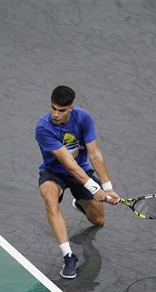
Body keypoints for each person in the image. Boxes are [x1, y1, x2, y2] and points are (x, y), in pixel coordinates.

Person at [35, 85, 120, 279]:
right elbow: (68, 164)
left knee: (98, 220)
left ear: (71, 108)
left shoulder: (83, 118)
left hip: (82, 172)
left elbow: (95, 154)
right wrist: (93, 187)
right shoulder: (43, 128)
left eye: (61, 110)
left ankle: (81, 204)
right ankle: (68, 256)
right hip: (53, 173)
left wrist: (107, 188)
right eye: (53, 108)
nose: (56, 114)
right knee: (49, 198)